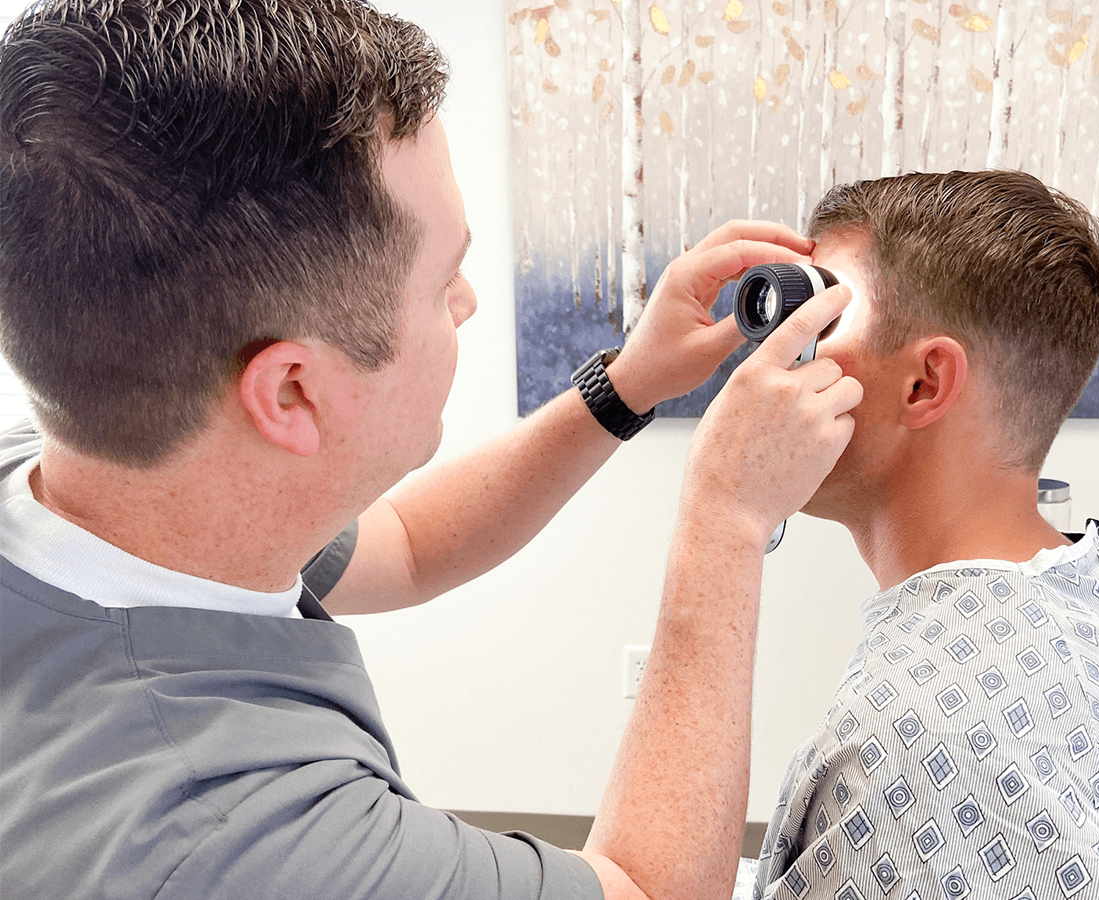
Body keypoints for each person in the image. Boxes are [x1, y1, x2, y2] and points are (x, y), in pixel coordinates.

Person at [0, 2, 864, 899]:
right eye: (442, 275)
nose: (468, 302)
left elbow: (408, 545)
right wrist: (728, 517)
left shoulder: (86, 475)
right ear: (292, 391)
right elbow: (650, 890)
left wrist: (627, 386)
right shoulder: (242, 836)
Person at [742, 171, 1099, 900]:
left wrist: (724, 515)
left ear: (925, 383)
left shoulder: (900, 749)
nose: (771, 364)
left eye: (820, 324)